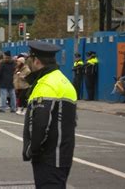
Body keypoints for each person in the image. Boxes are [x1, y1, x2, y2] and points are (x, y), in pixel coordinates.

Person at [22, 40, 77, 188]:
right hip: (63, 153)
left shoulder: (46, 84)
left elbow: (40, 123)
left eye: (30, 60)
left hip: (48, 157)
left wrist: (31, 149)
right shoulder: (63, 80)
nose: (28, 63)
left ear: (37, 61)